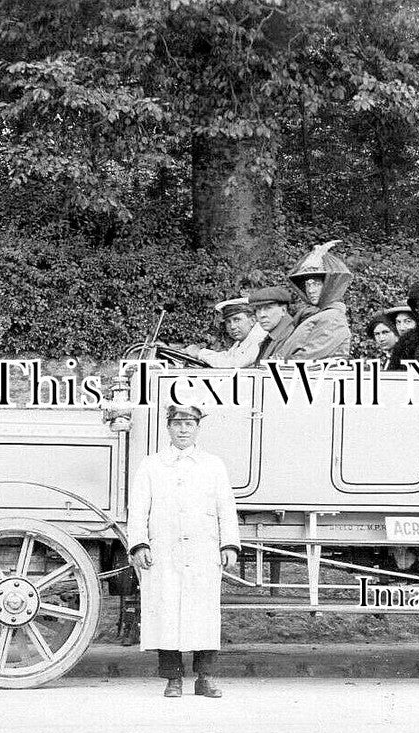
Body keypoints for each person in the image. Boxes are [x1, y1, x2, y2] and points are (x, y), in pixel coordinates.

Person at [126, 405, 241, 698]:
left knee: (203, 613)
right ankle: (172, 679)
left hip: (203, 551)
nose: (183, 429)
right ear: (168, 428)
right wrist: (139, 543)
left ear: (198, 428)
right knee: (167, 614)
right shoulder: (152, 465)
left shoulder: (212, 465)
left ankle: (205, 678)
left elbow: (225, 508)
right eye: (177, 423)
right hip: (164, 551)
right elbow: (138, 509)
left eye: (189, 423)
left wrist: (228, 545)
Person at [285, 240, 352, 361]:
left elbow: (307, 356)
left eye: (316, 284)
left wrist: (277, 363)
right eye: (308, 285)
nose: (311, 290)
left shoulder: (334, 318)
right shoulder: (313, 314)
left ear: (329, 285)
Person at [186, 298, 267, 368]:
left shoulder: (258, 338)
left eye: (237, 320)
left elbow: (232, 364)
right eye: (228, 321)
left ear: (252, 320)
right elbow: (227, 357)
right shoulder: (242, 341)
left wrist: (200, 353)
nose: (232, 326)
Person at [248, 287, 297, 363]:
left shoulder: (291, 338)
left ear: (283, 311)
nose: (262, 315)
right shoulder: (272, 338)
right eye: (258, 309)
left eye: (268, 308)